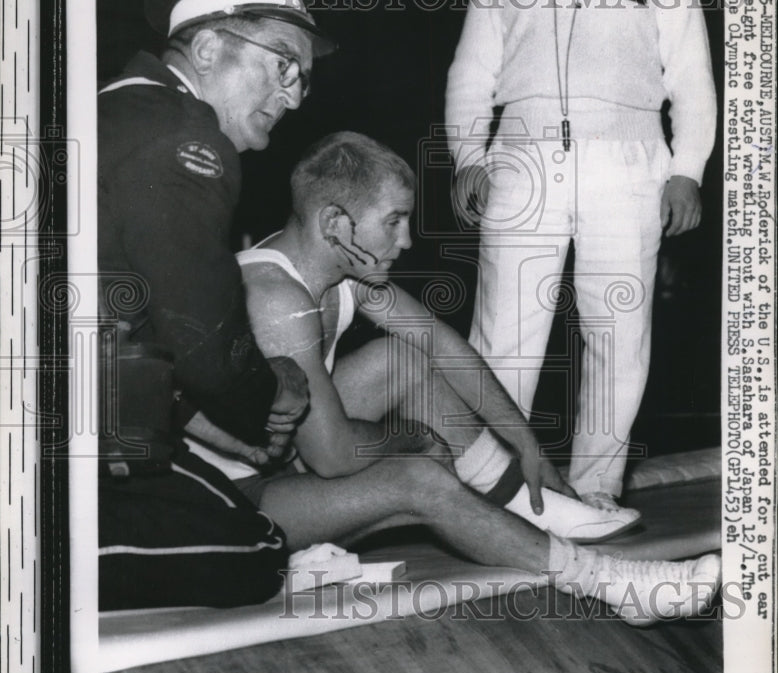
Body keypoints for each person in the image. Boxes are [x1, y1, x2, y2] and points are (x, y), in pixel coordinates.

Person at [188, 131, 721, 627]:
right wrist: (414, 439)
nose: (408, 240)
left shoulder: (341, 271)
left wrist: (526, 445)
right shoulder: (276, 296)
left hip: (279, 458)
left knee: (406, 358)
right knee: (418, 476)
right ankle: (612, 585)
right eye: (393, 221)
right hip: (229, 503)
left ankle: (523, 497)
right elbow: (332, 457)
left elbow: (443, 347)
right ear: (335, 223)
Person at [444, 0, 717, 521]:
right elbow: (472, 71)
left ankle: (595, 491)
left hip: (626, 165)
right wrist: (470, 154)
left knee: (619, 332)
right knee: (503, 333)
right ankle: (492, 492)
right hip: (523, 161)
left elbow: (691, 75)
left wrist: (686, 169)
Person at [97, 0, 335, 609]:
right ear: (207, 50)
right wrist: (271, 395)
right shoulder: (184, 140)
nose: (291, 95)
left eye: (302, 79)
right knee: (256, 553)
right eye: (283, 63)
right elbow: (204, 341)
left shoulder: (119, 110)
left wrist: (218, 424)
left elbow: (127, 338)